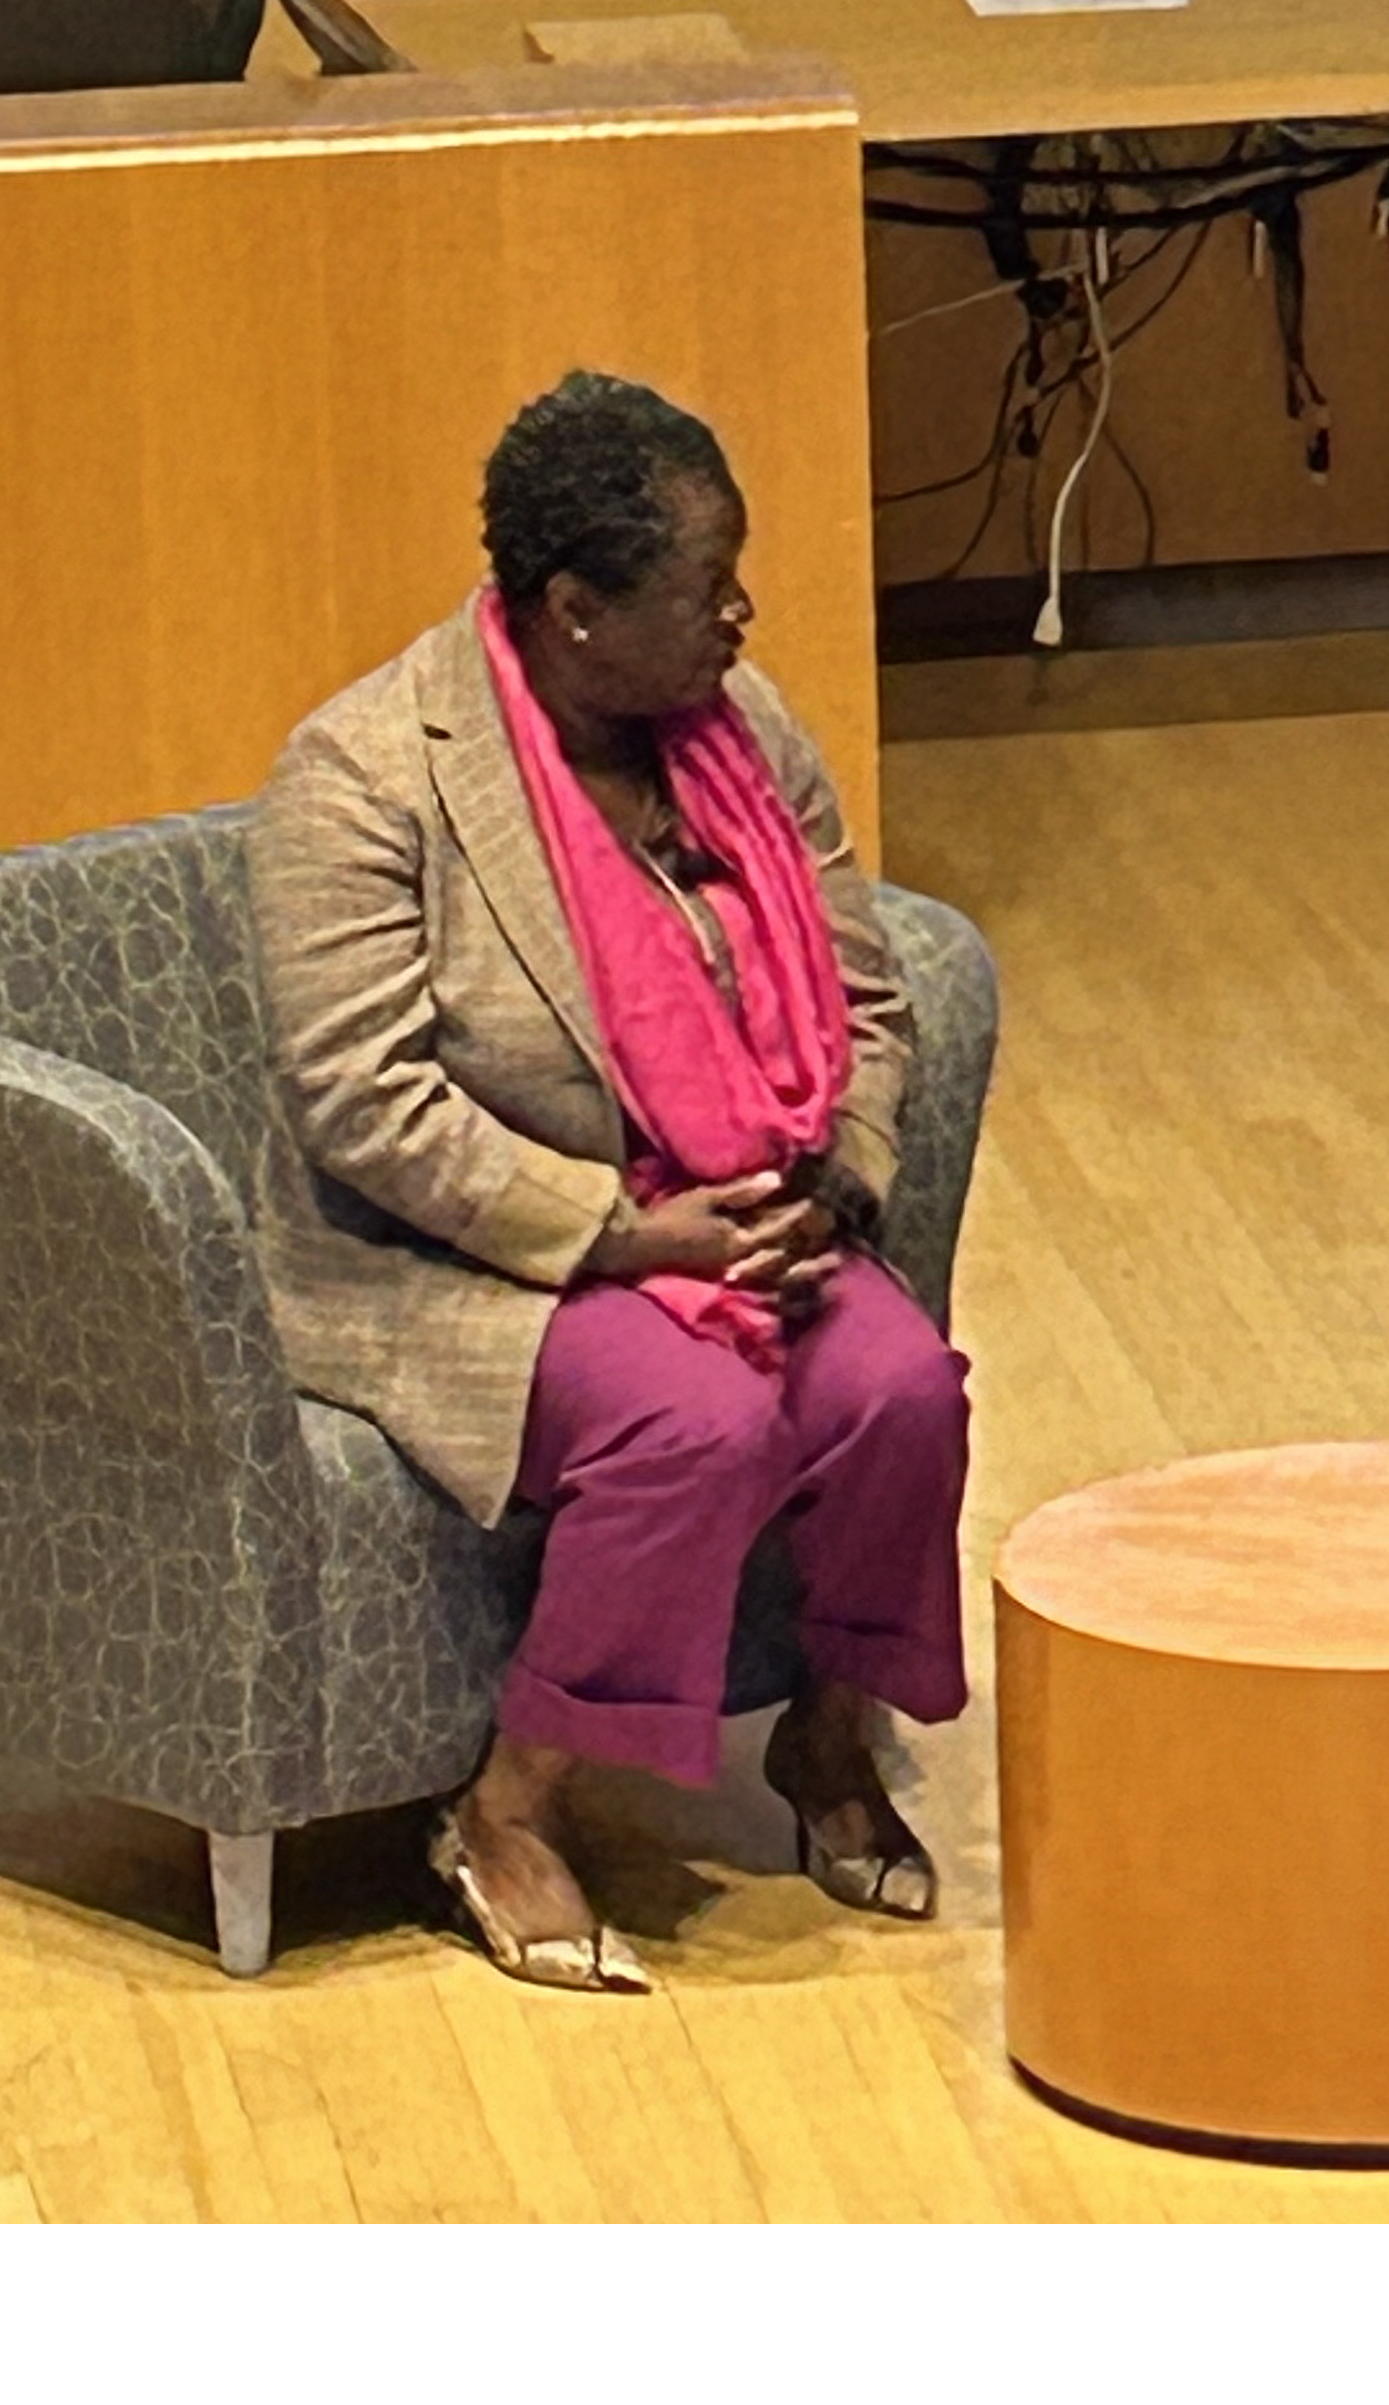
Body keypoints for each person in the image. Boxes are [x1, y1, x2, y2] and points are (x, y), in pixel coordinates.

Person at [249, 370, 971, 1991]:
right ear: (575, 611)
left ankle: (829, 1739)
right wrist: (628, 1234)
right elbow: (362, 1103)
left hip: (743, 1215)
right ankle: (507, 1809)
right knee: (692, 1420)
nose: (743, 612)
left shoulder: (741, 726)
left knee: (903, 1388)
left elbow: (865, 990)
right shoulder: (367, 778)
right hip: (466, 1252)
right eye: (704, 588)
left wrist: (834, 1185)